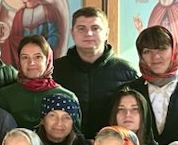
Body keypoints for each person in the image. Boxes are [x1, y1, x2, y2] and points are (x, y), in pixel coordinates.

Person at [52, 7, 139, 137]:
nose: (88, 33)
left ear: (106, 33)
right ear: (72, 33)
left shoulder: (127, 73)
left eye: (95, 28)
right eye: (81, 28)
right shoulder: (55, 71)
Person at [125, 25, 178, 145]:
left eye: (162, 49)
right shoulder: (129, 91)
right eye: (147, 51)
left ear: (174, 50)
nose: (155, 57)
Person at [0, 34, 78, 130]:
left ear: (48, 60)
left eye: (38, 57)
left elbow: (75, 136)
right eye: (25, 57)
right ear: (19, 61)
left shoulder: (67, 97)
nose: (31, 63)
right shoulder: (3, 97)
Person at [0, 0, 65, 67]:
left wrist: (42, 53)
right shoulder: (20, 14)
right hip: (25, 58)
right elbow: (15, 37)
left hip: (43, 56)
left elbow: (54, 35)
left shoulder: (47, 9)